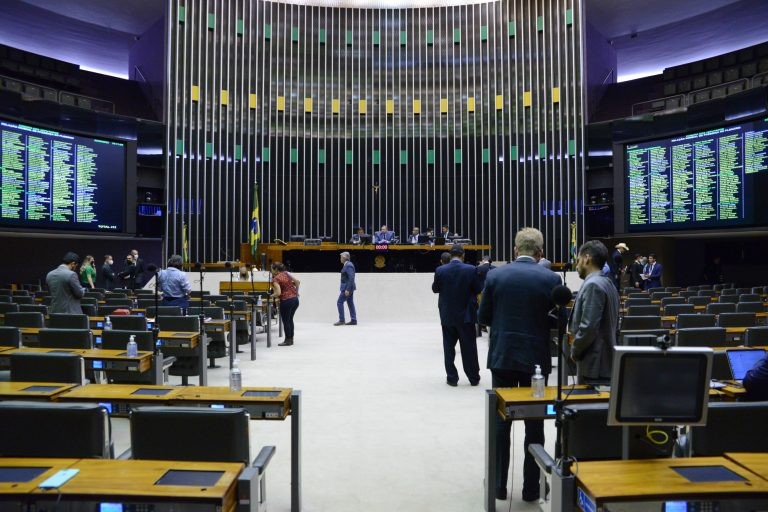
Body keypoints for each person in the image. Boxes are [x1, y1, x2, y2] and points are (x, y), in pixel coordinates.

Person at [478, 227, 560, 503]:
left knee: (501, 422)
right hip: (535, 360)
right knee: (534, 424)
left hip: (502, 356)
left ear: (515, 250)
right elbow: (555, 322)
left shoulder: (495, 275)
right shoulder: (551, 278)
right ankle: (532, 489)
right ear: (540, 253)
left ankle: (498, 486)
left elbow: (484, 316)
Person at [568, 241, 619, 385]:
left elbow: (589, 327)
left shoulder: (593, 285)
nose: (576, 265)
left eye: (578, 260)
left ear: (586, 258)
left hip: (595, 365)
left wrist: (575, 350)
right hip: (605, 362)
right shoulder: (608, 283)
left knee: (590, 407)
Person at [432, 244, 482, 386]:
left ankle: (452, 378)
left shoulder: (440, 270)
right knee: (469, 348)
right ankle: (473, 378)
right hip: (466, 315)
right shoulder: (471, 269)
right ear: (463, 255)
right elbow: (478, 289)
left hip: (447, 315)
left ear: (450, 254)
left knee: (448, 348)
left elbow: (435, 289)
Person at [270, 262, 300, 346]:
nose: (271, 271)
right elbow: (297, 282)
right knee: (290, 320)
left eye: (271, 269)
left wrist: (271, 296)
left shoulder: (275, 279)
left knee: (286, 321)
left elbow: (278, 292)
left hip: (286, 301)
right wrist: (296, 293)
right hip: (295, 300)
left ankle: (287, 340)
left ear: (276, 269)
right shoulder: (286, 273)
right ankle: (291, 339)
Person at [335, 252, 357, 325]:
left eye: (341, 257)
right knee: (350, 302)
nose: (340, 258)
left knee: (339, 302)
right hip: (348, 287)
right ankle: (353, 320)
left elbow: (351, 278)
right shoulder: (347, 265)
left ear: (345, 258)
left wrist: (347, 289)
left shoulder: (348, 265)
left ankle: (342, 320)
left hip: (347, 288)